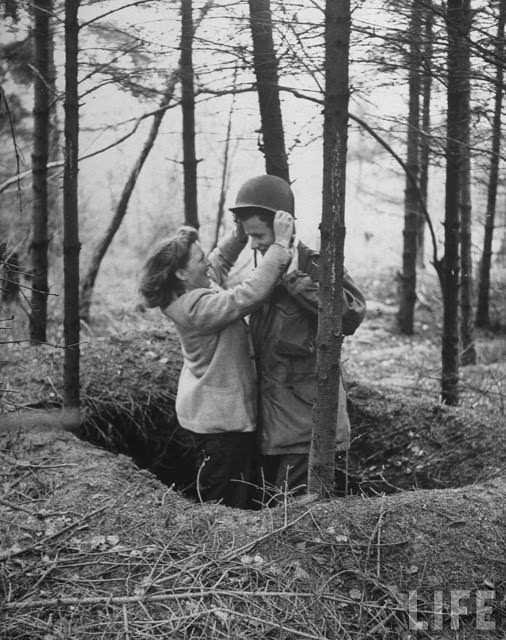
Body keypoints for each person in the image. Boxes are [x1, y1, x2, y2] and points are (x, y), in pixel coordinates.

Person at [139, 212, 293, 508]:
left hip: (218, 414)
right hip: (219, 423)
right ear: (182, 274)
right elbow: (244, 297)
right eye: (199, 260)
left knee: (236, 486)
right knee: (222, 498)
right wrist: (280, 246)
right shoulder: (195, 308)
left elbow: (219, 260)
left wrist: (238, 234)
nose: (207, 262)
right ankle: (216, 549)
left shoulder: (192, 288)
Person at [229, 175, 366, 501]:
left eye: (258, 234)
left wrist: (295, 280)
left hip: (307, 431)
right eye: (248, 236)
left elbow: (350, 314)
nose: (253, 244)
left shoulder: (316, 265)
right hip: (274, 429)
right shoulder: (266, 273)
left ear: (282, 227)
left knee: (292, 524)